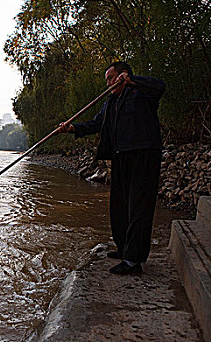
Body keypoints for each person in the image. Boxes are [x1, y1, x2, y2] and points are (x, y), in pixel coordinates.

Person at [58, 61, 166, 275]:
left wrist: (132, 80)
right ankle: (124, 248)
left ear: (122, 75)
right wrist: (72, 129)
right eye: (106, 79)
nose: (107, 83)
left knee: (139, 206)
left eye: (110, 78)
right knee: (119, 205)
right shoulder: (110, 102)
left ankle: (133, 261)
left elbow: (159, 86)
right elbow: (96, 124)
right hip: (121, 156)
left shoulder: (141, 93)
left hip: (143, 154)